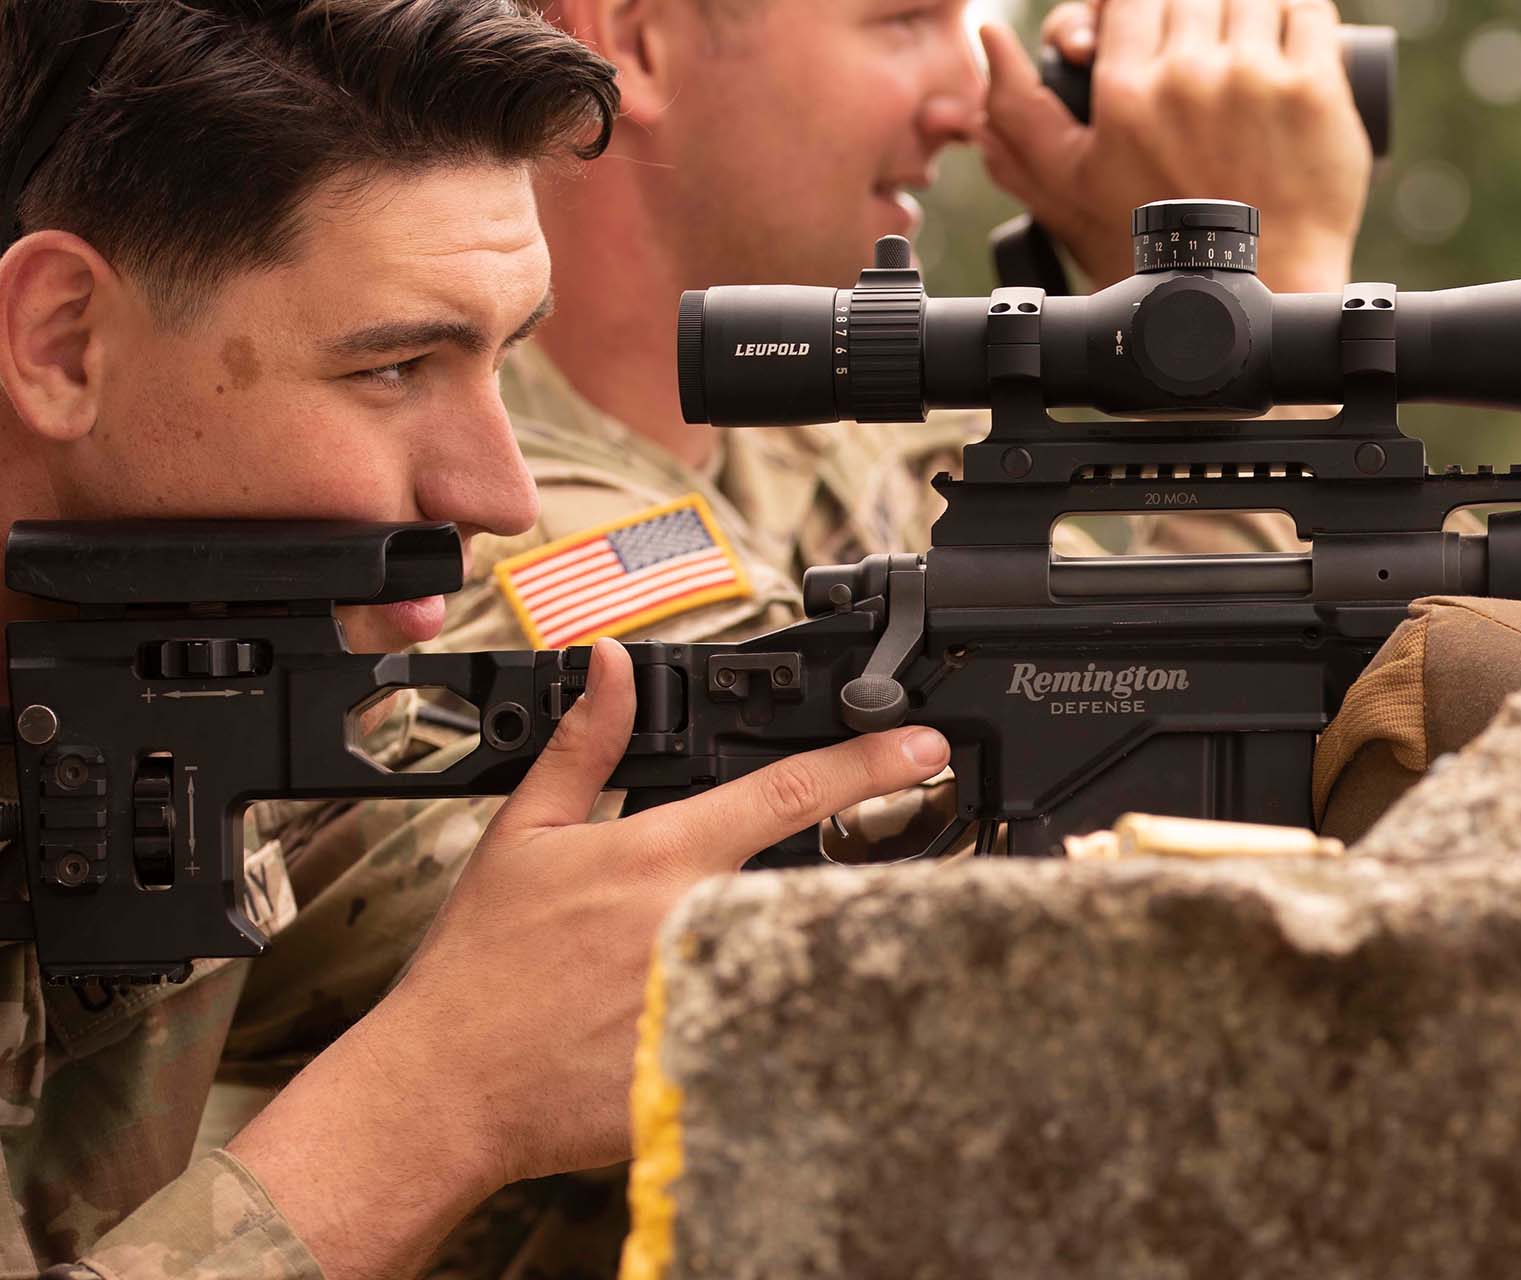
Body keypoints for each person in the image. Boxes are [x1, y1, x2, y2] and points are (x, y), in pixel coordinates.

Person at [0, 2, 950, 1276]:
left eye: (506, 356)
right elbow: (468, 1050)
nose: (503, 494)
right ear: (63, 341)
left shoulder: (202, 692)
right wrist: (437, 1101)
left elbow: (507, 897)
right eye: (394, 367)